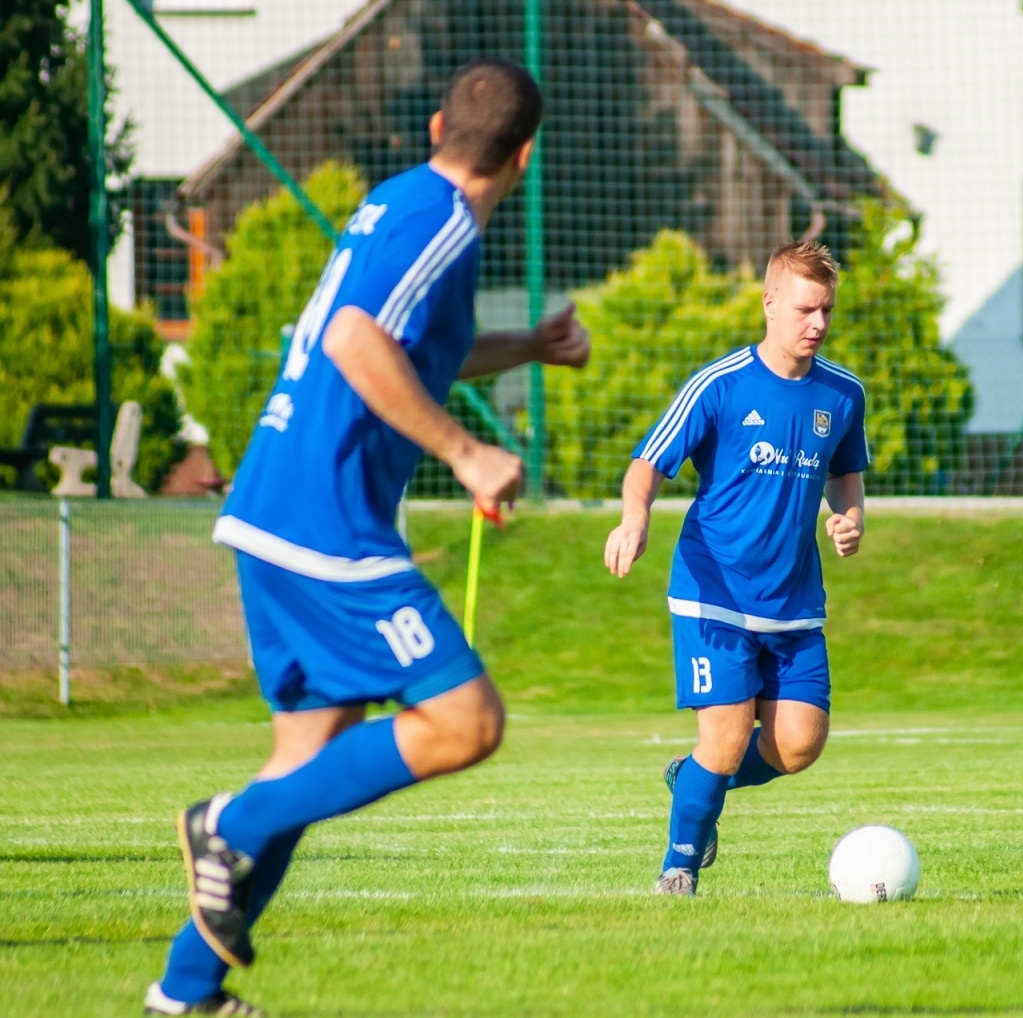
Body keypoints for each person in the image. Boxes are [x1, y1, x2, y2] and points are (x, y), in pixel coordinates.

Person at [144, 58, 591, 1016]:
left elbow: (415, 346)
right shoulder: (444, 222)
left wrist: (530, 346)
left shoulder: (399, 206)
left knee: (309, 761)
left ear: (437, 126)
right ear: (525, 154)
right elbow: (355, 339)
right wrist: (469, 454)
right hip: (325, 522)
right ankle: (229, 823)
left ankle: (186, 994)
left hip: (274, 509)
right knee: (467, 722)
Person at [604, 239, 868, 897]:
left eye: (827, 310)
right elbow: (647, 464)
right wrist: (635, 517)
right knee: (723, 741)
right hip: (713, 591)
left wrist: (850, 517)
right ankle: (679, 868)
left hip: (794, 601)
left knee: (798, 746)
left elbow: (847, 477)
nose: (818, 324)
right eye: (806, 309)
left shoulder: (842, 394)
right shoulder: (720, 384)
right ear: (770, 302)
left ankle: (692, 777)